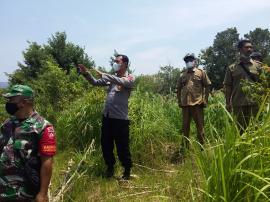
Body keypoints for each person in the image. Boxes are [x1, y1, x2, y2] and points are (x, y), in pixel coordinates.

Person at [78, 54, 134, 180]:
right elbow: (95, 82)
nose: (115, 63)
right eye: (114, 61)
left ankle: (127, 170)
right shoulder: (111, 78)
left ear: (125, 64)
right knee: (106, 144)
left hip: (120, 120)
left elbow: (122, 82)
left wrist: (104, 74)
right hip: (107, 117)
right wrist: (86, 74)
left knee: (122, 147)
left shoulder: (129, 77)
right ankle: (110, 168)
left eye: (117, 61)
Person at [0, 85, 56, 202]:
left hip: (23, 192)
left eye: (11, 100)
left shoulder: (43, 127)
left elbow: (47, 161)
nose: (8, 103)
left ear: (23, 102)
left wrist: (43, 193)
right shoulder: (8, 123)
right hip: (3, 187)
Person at [223, 39, 262, 132]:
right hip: (238, 103)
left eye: (251, 47)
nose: (249, 49)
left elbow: (263, 84)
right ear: (240, 49)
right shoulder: (232, 68)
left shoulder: (258, 66)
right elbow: (228, 86)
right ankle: (241, 147)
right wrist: (228, 103)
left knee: (255, 129)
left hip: (255, 103)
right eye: (246, 47)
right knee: (240, 130)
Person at [176, 53, 211, 152]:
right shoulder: (182, 74)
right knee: (185, 128)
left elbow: (207, 85)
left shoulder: (201, 72)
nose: (189, 62)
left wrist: (205, 99)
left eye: (191, 60)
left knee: (200, 128)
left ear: (195, 61)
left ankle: (202, 148)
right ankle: (185, 148)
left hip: (197, 104)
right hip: (185, 105)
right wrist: (179, 101)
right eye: (187, 60)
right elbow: (178, 89)